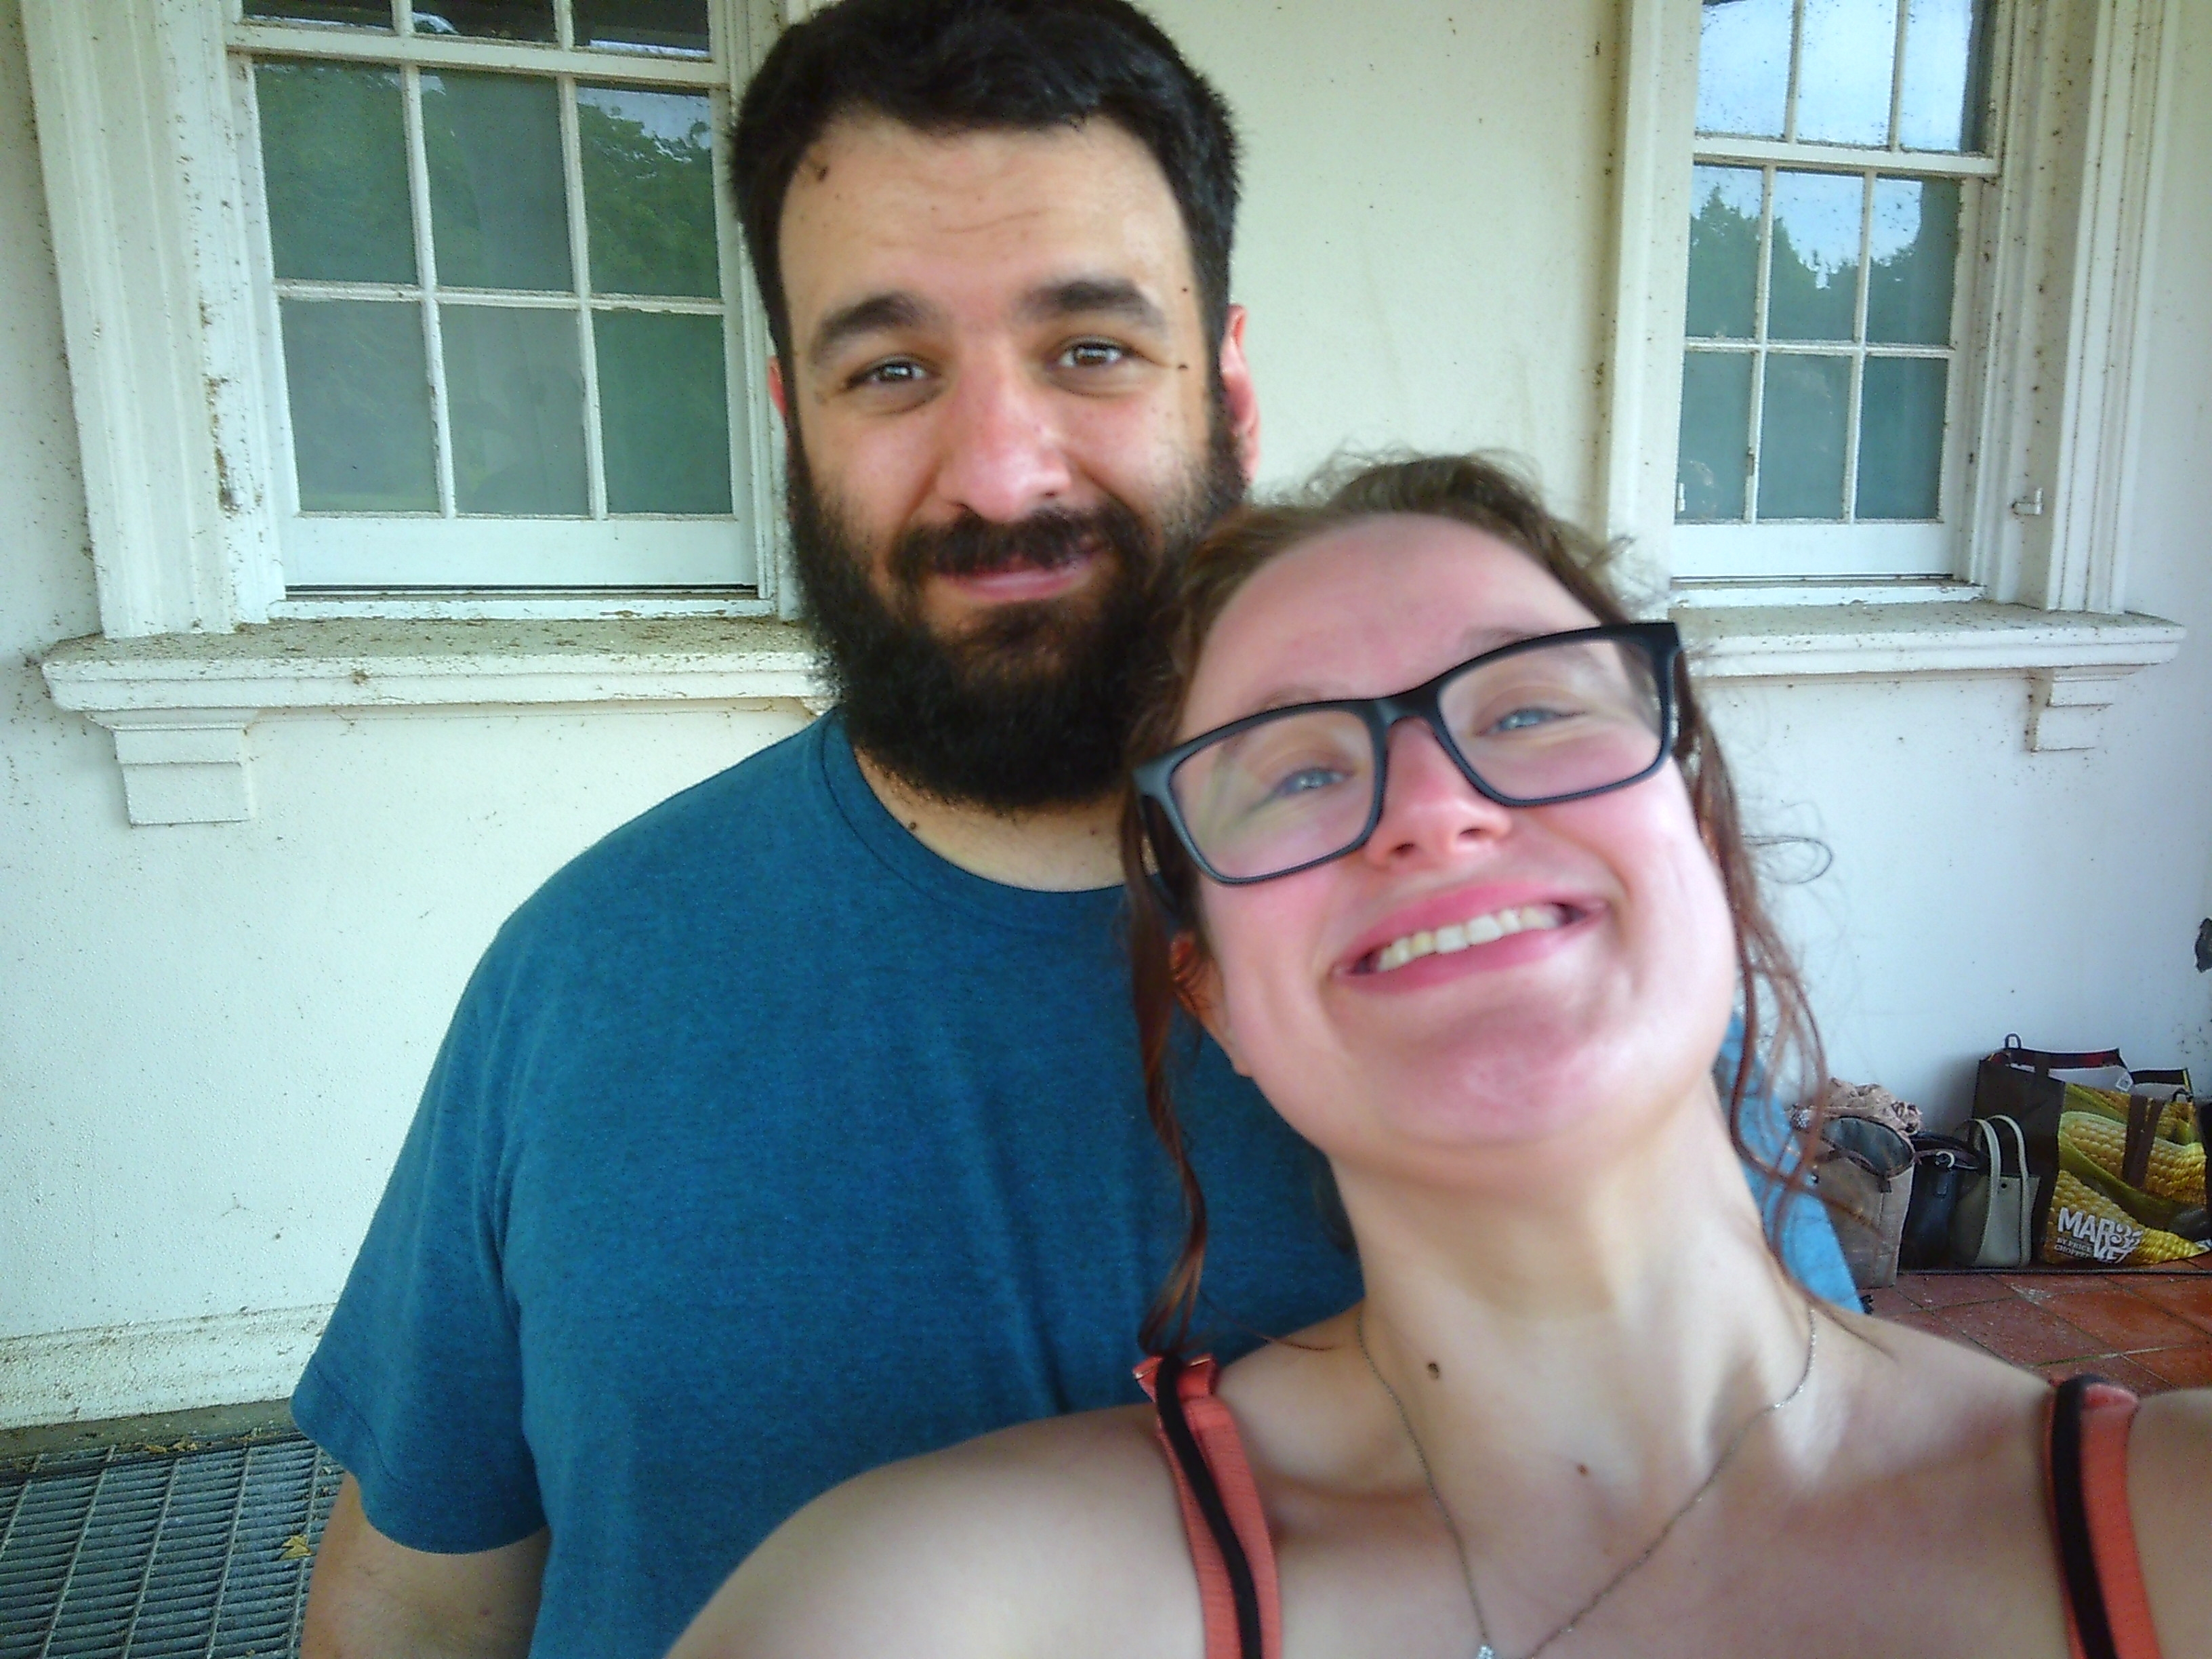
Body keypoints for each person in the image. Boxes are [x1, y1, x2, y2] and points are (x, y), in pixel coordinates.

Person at [293, 5, 1852, 1656]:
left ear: (1227, 379)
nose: (1000, 472)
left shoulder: (1503, 967)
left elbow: (1793, 1528)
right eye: (890, 370)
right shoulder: (578, 978)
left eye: (1091, 349)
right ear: (791, 416)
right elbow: (413, 1601)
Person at [672, 455, 2212, 1659]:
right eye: (1293, 770)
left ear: (1708, 851)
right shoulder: (959, 1609)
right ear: (1213, 996)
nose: (1432, 806)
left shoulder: (2178, 1533)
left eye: (1531, 705)